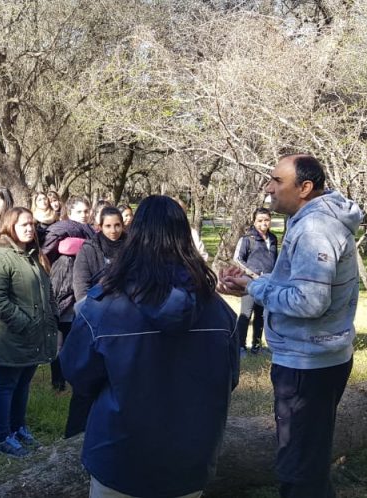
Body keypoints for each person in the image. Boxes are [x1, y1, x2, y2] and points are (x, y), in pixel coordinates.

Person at [61, 195, 239, 498]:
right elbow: (229, 378)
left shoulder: (103, 306)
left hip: (120, 456)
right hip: (189, 459)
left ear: (135, 235)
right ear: (184, 237)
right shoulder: (219, 311)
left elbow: (77, 372)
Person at [219, 154, 361, 498]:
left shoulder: (315, 229)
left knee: (298, 465)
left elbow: (310, 302)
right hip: (319, 356)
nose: (268, 188)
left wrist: (254, 288)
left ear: (305, 188)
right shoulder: (312, 218)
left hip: (307, 363)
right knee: (308, 456)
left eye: (276, 181)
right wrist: (254, 280)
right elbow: (300, 284)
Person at [0, 207, 58, 458]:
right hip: (12, 336)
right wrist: (25, 323)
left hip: (35, 335)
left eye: (31, 224)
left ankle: (18, 428)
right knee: (6, 384)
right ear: (10, 226)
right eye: (23, 224)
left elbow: (47, 293)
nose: (29, 229)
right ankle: (2, 436)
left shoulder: (34, 255)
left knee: (23, 382)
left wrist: (50, 319)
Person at [63, 205, 127, 438]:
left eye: (118, 225)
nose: (113, 230)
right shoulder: (90, 249)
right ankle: (74, 434)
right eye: (108, 226)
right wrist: (90, 318)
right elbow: (81, 287)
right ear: (99, 226)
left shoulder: (132, 249)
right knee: (86, 383)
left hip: (124, 323)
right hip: (95, 321)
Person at [43, 196, 94, 392]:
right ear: (70, 213)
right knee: (60, 342)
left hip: (82, 293)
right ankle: (58, 383)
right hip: (62, 291)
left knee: (80, 341)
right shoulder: (60, 231)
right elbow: (52, 251)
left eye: (86, 211)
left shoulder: (92, 235)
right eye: (80, 211)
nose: (84, 215)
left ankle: (77, 379)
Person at [233, 207, 279, 356]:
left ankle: (256, 346)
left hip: (268, 285)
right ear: (254, 222)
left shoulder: (273, 238)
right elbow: (238, 260)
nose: (263, 223)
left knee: (262, 315)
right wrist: (252, 275)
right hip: (250, 284)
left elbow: (276, 260)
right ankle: (240, 347)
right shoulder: (247, 239)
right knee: (246, 315)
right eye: (260, 220)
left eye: (266, 220)